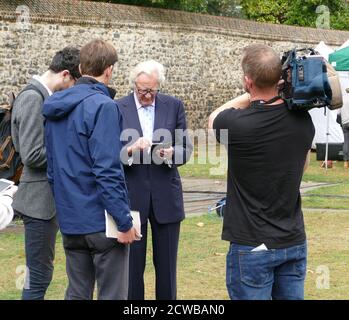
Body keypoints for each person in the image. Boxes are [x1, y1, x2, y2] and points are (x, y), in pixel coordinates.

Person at [208, 44, 315, 300]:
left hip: (251, 244)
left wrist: (251, 94)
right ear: (280, 78)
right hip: (292, 240)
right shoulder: (303, 121)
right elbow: (302, 165)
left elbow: (213, 118)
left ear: (247, 81)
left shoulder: (237, 124)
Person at [43, 39, 138, 300]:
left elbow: (52, 171)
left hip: (71, 220)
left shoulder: (55, 107)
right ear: (108, 70)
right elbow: (107, 169)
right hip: (100, 222)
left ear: (82, 66)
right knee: (112, 295)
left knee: (77, 294)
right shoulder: (104, 106)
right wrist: (124, 220)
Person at [116, 60, 193, 300]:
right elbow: (110, 153)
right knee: (131, 269)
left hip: (166, 196)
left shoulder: (174, 106)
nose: (147, 95)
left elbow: (186, 148)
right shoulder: (118, 107)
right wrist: (130, 149)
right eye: (142, 91)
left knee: (167, 268)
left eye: (152, 90)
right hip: (131, 195)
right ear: (134, 86)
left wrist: (172, 154)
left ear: (159, 86)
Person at [11, 47, 80, 300]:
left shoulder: (43, 97)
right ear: (65, 75)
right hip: (38, 202)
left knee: (41, 274)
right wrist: (72, 156)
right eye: (74, 83)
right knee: (38, 276)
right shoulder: (33, 98)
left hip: (47, 200)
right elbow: (32, 155)